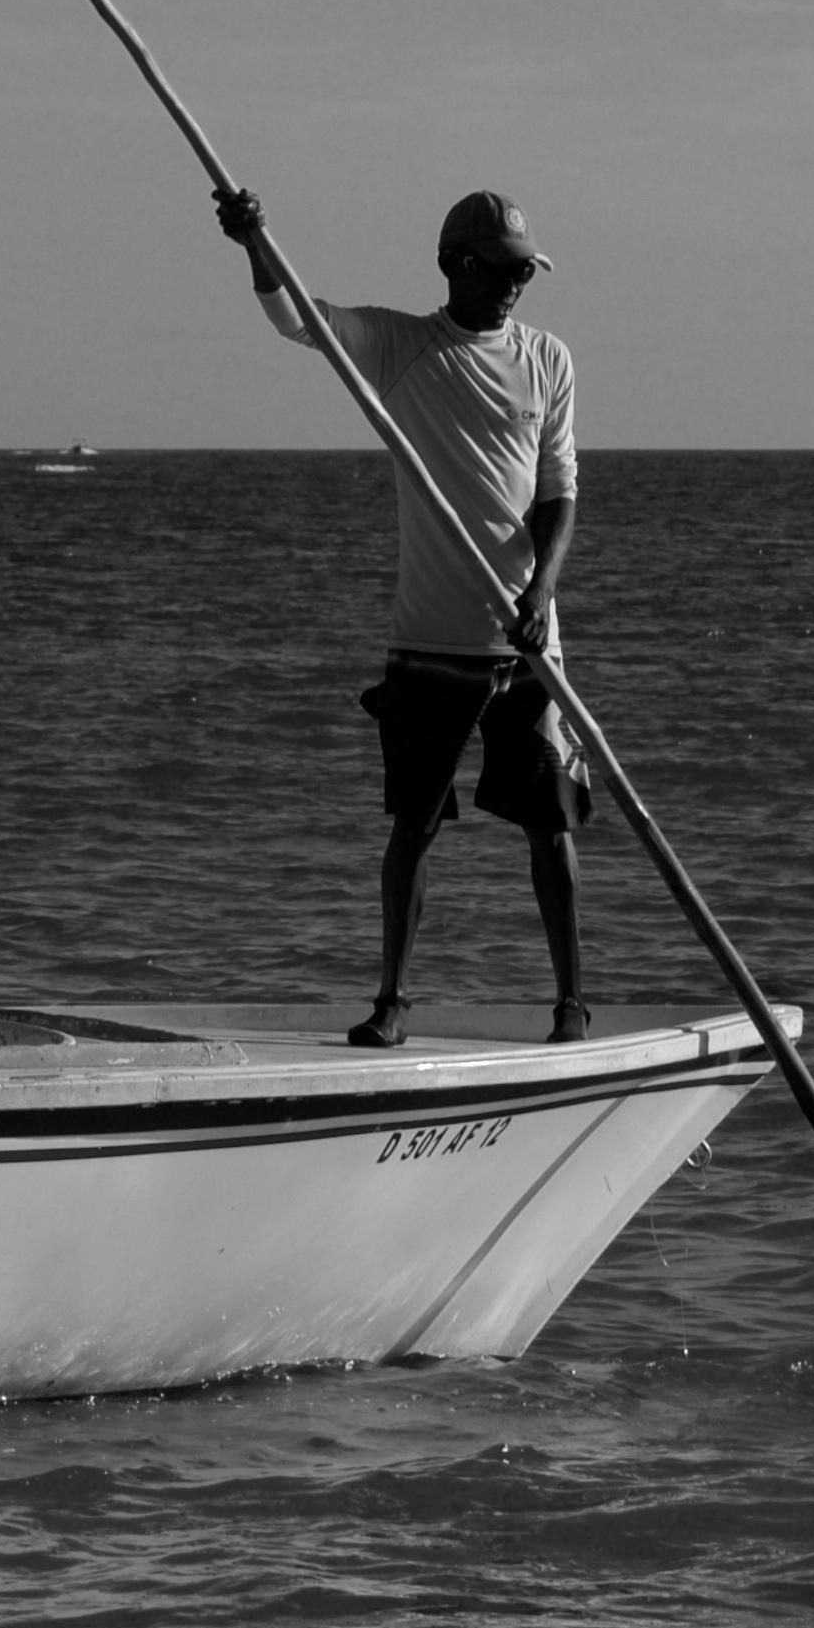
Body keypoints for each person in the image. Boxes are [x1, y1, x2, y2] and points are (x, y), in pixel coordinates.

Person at [210, 182, 586, 1048]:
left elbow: (559, 492)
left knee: (550, 824)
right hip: (431, 638)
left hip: (530, 645)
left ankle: (569, 1005)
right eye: (502, 269)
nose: (516, 284)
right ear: (457, 265)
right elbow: (297, 317)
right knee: (413, 826)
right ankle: (391, 1001)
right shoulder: (399, 348)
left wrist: (538, 594)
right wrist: (253, 242)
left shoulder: (548, 358)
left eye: (526, 269)